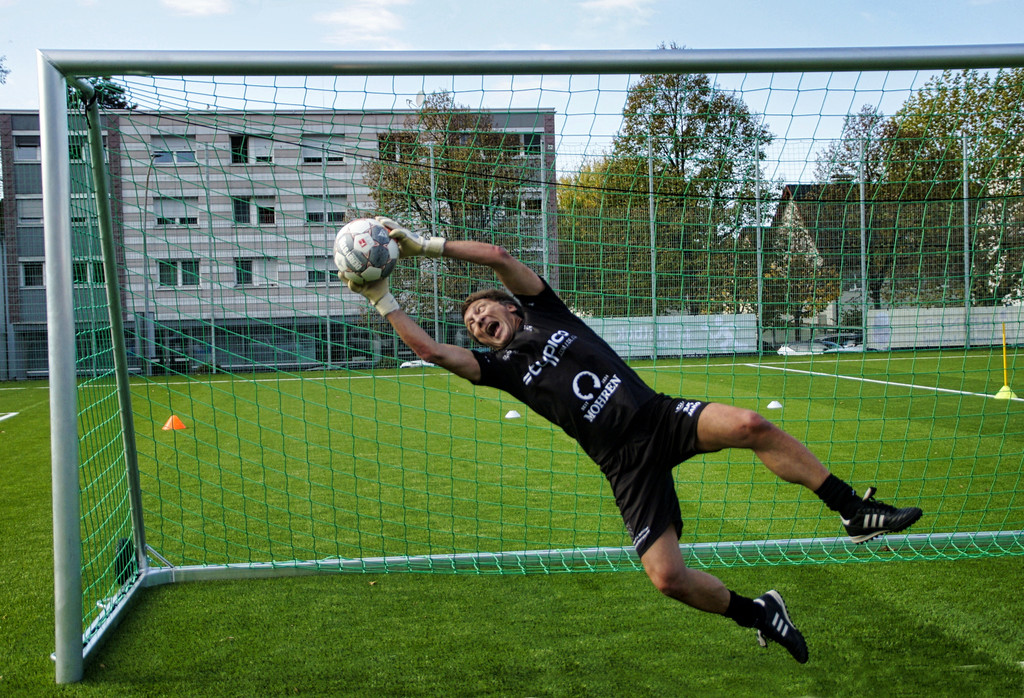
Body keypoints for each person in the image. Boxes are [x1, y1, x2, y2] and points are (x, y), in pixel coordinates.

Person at [343, 217, 923, 664]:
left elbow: (497, 257)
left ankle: (852, 510)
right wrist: (382, 298)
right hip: (623, 464)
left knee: (752, 424)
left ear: (509, 305)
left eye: (484, 312)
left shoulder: (550, 314)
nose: (478, 324)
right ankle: (759, 613)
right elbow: (429, 351)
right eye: (472, 326)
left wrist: (421, 247)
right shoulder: (500, 369)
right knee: (667, 578)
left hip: (657, 416)